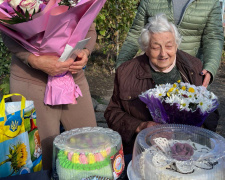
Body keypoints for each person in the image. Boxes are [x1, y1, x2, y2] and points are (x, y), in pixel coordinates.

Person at [105, 14, 219, 157]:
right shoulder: (126, 72)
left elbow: (210, 111)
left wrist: (194, 133)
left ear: (176, 45)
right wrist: (141, 126)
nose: (163, 53)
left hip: (188, 150)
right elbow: (112, 113)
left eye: (169, 46)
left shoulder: (194, 67)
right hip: (145, 150)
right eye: (155, 47)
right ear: (146, 48)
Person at [1, 23, 97, 170]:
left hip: (72, 77)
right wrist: (33, 60)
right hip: (31, 80)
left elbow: (89, 27)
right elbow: (7, 30)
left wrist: (85, 51)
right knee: (43, 157)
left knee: (90, 147)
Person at [116, 0, 224, 87]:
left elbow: (213, 38)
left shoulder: (210, 2)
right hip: (155, 70)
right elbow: (136, 34)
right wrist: (121, 66)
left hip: (190, 72)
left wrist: (210, 67)